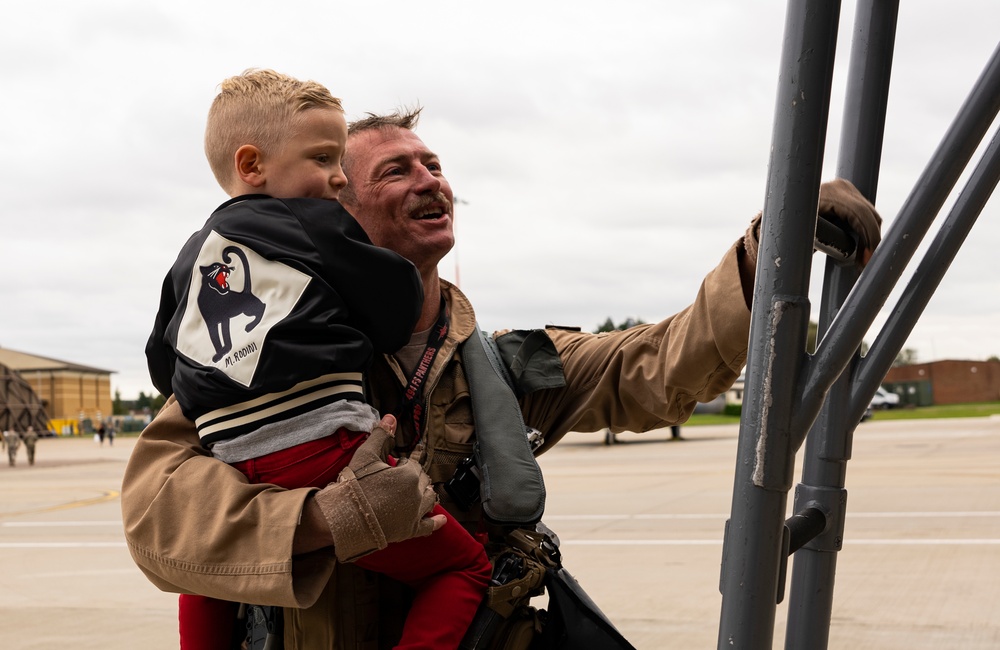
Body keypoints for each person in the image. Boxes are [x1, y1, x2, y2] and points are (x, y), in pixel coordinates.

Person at [122, 105, 882, 649]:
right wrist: (329, 520)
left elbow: (652, 365)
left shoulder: (503, 364)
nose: (430, 181)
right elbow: (158, 516)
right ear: (335, 206)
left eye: (435, 166)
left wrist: (770, 244)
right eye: (396, 171)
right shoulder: (257, 361)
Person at [144, 71, 490, 649]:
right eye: (325, 158)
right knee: (463, 567)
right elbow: (394, 298)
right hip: (324, 448)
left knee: (209, 570)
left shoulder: (192, 254)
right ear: (252, 165)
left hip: (229, 453)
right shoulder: (316, 221)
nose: (336, 177)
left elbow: (162, 357)